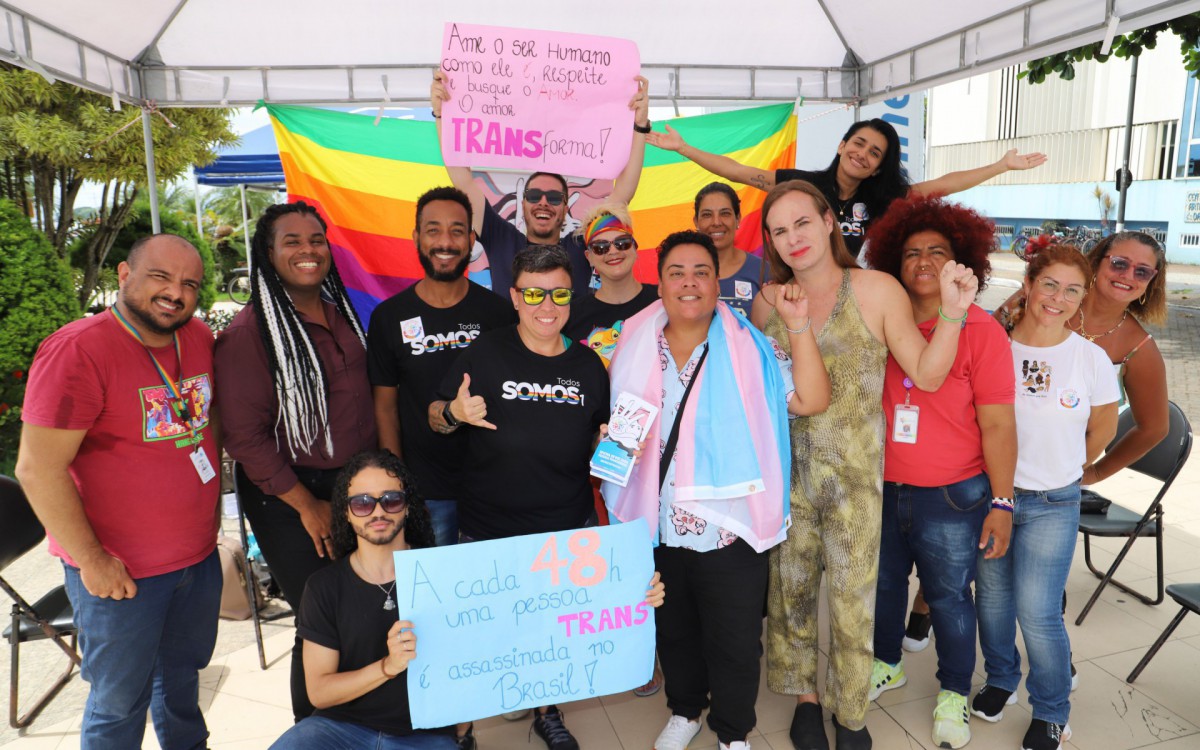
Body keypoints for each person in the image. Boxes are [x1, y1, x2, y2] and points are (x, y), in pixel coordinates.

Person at [754, 180, 978, 750]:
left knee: (854, 602)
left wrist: (953, 314)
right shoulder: (767, 303)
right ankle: (806, 699)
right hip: (787, 479)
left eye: (802, 223)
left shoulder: (876, 290)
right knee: (792, 594)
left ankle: (850, 713)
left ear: (829, 221)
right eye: (779, 231)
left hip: (854, 481)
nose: (792, 239)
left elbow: (927, 374)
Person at [601, 230, 831, 750]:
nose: (688, 282)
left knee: (732, 642)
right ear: (658, 283)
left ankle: (732, 732)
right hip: (654, 521)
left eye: (700, 272)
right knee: (673, 629)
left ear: (717, 281)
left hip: (729, 527)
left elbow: (812, 399)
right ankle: (685, 709)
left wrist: (798, 327)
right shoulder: (631, 341)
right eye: (675, 272)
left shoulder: (753, 346)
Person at [16, 234, 222, 749]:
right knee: (118, 704)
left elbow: (205, 421)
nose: (175, 292)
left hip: (195, 561)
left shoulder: (196, 336)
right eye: (160, 277)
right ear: (124, 276)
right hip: (119, 574)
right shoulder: (78, 350)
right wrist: (91, 559)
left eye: (189, 283)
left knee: (180, 687)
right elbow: (38, 469)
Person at [429, 244, 610, 750]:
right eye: (533, 293)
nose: (546, 305)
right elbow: (434, 415)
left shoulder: (591, 366)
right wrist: (454, 414)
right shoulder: (484, 353)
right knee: (476, 638)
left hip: (563, 526)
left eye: (557, 293)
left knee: (548, 634)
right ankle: (463, 729)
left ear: (572, 296)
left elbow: (600, 440)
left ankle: (546, 712)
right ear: (514, 296)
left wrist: (607, 445)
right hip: (488, 527)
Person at [861, 195, 1017, 749]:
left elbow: (998, 426)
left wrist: (1002, 503)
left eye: (938, 252)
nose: (923, 261)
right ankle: (887, 663)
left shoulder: (982, 331)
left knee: (949, 598)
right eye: (909, 253)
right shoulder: (883, 322)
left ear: (963, 263)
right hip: (882, 487)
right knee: (881, 587)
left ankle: (954, 692)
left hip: (953, 495)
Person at [214, 201, 377, 722]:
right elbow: (244, 436)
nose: (308, 251)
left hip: (353, 486)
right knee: (319, 621)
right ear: (268, 253)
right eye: (292, 241)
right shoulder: (251, 332)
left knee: (360, 613)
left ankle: (366, 725)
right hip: (291, 495)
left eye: (316, 240)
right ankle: (313, 730)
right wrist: (307, 506)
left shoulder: (339, 311)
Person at [973, 244, 1119, 750]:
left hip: (1055, 501)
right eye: (1050, 284)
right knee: (991, 600)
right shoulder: (994, 345)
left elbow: (1103, 424)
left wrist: (1067, 466)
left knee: (1037, 611)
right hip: (995, 495)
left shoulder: (1090, 358)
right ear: (1029, 284)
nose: (1058, 298)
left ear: (1082, 300)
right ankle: (1000, 678)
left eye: (1072, 290)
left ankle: (1053, 710)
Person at [269, 450, 456, 749]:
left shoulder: (447, 577)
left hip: (424, 734)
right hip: (338, 728)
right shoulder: (323, 587)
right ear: (345, 512)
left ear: (407, 507)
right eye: (362, 503)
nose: (378, 512)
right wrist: (388, 666)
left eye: (391, 499)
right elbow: (319, 691)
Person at [649, 119, 1046, 259]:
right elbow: (740, 172)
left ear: (877, 168)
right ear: (842, 145)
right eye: (858, 144)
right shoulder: (804, 185)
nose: (863, 154)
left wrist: (1000, 165)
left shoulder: (881, 198)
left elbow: (940, 186)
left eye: (875, 153)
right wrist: (683, 148)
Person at [368, 186, 515, 548]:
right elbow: (385, 408)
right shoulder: (389, 317)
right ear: (417, 237)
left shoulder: (498, 313)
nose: (445, 242)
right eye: (433, 230)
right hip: (426, 493)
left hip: (495, 487)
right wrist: (395, 482)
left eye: (456, 230)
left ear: (471, 239)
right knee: (438, 601)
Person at [431, 70, 651, 293]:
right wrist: (442, 115)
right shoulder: (501, 238)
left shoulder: (579, 245)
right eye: (534, 196)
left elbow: (623, 193)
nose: (543, 202)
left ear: (566, 208)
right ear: (523, 204)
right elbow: (464, 182)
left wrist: (640, 126)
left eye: (554, 198)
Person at [563, 203, 658, 365]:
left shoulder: (663, 302)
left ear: (635, 247)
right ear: (589, 257)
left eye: (622, 243)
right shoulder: (571, 315)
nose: (613, 251)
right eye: (601, 247)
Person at [692, 182, 763, 316]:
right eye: (707, 215)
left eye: (725, 213)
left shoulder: (763, 271)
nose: (717, 222)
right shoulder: (681, 272)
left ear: (737, 219)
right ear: (696, 222)